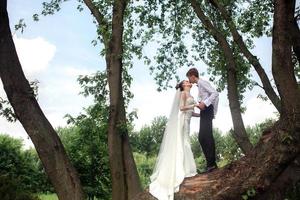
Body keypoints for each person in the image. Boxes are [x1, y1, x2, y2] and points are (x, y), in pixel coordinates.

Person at [149, 80, 199, 200]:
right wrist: (194, 105)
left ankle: (186, 168)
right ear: (183, 85)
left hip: (187, 120)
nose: (189, 82)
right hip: (182, 121)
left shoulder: (190, 95)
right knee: (184, 143)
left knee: (186, 142)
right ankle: (184, 170)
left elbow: (190, 112)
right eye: (187, 82)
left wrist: (200, 115)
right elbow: (182, 108)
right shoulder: (183, 94)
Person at [186, 68, 219, 173]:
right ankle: (210, 164)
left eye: (188, 78)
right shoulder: (199, 85)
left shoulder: (202, 82)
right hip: (204, 112)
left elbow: (215, 93)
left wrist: (205, 103)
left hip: (207, 110)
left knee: (207, 136)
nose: (189, 80)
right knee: (202, 137)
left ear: (192, 75)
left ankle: (211, 165)